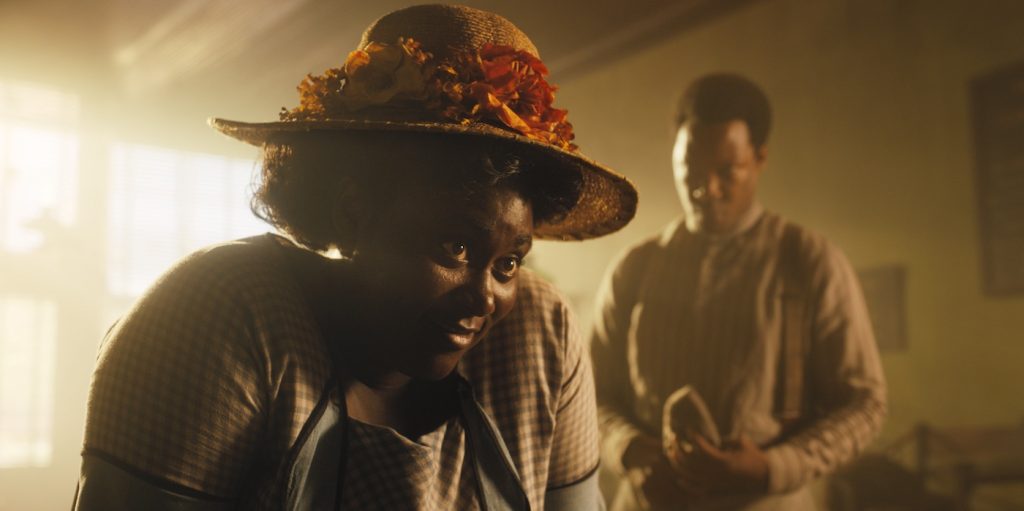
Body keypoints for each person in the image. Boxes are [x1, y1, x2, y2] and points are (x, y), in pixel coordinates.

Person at [73, 5, 638, 510]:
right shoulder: (220, 320)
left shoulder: (539, 335)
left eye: (508, 263)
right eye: (455, 246)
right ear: (352, 213)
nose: (483, 298)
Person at [590, 73, 886, 510]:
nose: (704, 189)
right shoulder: (634, 269)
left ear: (760, 158)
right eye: (689, 168)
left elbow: (864, 404)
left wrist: (775, 466)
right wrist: (629, 448)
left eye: (726, 171)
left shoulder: (808, 262)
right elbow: (588, 395)